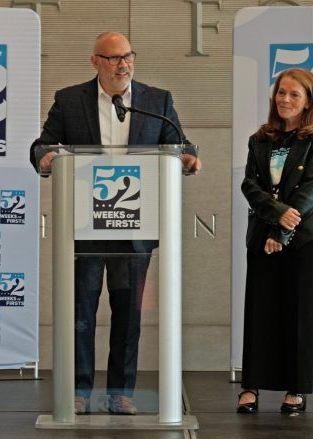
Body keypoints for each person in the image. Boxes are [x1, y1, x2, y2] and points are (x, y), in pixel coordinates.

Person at [30, 31, 201, 415]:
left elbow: (179, 142)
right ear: (95, 61)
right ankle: (78, 392)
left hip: (135, 226)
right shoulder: (69, 100)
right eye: (113, 58)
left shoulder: (156, 101)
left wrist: (188, 157)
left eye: (128, 56)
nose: (123, 65)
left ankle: (121, 393)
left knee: (128, 316)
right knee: (81, 314)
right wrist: (46, 157)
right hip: (84, 225)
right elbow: (43, 145)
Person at [237, 68, 313, 414]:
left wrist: (282, 232)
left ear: (309, 101)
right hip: (264, 235)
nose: (285, 99)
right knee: (260, 313)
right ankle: (250, 386)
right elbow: (250, 185)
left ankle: (296, 389)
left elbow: (312, 188)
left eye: (294, 94)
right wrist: (276, 217)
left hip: (309, 239)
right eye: (281, 92)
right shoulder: (260, 139)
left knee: (303, 316)